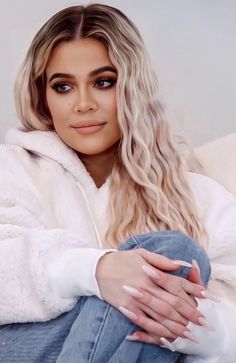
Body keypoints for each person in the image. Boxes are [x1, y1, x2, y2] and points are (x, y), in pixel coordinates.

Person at [0, 3, 235, 363]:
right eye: (63, 87)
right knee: (163, 263)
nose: (83, 104)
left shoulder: (200, 198)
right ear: (42, 97)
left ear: (132, 87)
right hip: (27, 348)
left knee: (173, 252)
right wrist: (96, 271)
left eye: (103, 82)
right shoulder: (12, 169)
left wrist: (195, 329)